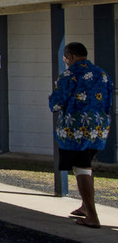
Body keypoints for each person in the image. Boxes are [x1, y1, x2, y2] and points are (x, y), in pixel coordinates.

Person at [48, 42, 113, 228]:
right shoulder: (102, 74)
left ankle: (92, 216)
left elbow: (57, 103)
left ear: (72, 55)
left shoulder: (69, 75)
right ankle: (85, 206)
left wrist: (51, 101)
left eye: (66, 57)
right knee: (87, 165)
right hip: (99, 129)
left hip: (76, 130)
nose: (66, 61)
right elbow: (108, 101)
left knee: (81, 168)